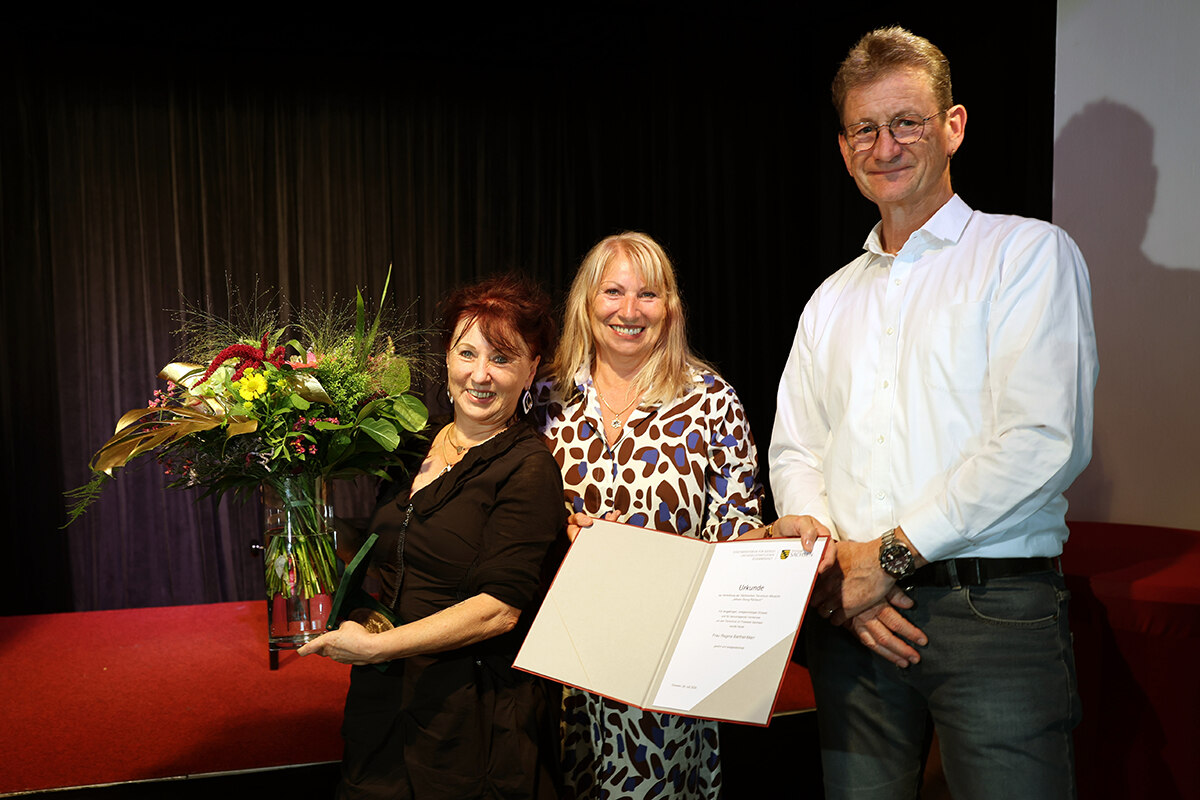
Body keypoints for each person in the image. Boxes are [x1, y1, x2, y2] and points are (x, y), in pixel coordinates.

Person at [769, 26, 1098, 800]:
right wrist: (836, 567)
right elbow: (796, 450)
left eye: (907, 122)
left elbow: (1041, 441)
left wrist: (882, 559)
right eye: (865, 130)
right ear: (845, 148)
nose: (886, 146)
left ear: (953, 127)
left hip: (994, 613)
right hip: (855, 626)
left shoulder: (1027, 255)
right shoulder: (830, 299)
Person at [537, 231, 831, 800]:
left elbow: (735, 532)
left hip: (660, 680)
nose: (628, 311)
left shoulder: (711, 400)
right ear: (585, 301)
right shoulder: (546, 399)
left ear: (670, 307)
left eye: (648, 294)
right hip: (558, 671)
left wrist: (778, 537)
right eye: (613, 292)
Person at [299, 275, 565, 800]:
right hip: (384, 705)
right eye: (467, 352)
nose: (480, 375)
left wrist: (379, 649)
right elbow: (393, 545)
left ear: (532, 369)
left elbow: (499, 609)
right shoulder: (409, 440)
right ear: (447, 358)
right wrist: (299, 522)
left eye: (503, 358)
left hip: (470, 718)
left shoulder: (528, 468)